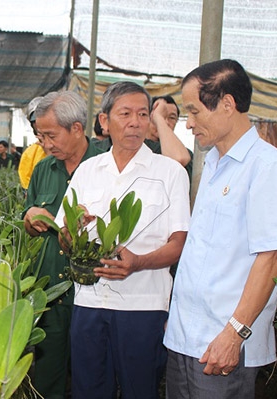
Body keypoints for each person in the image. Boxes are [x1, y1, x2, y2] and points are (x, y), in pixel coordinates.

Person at [163, 59, 277, 399]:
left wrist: (235, 333)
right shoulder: (214, 164)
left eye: (193, 112)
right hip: (186, 338)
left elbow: (271, 257)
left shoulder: (266, 167)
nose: (188, 123)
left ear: (226, 104)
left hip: (224, 343)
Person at [55, 81, 191, 399]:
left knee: (139, 389)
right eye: (125, 113)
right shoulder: (87, 172)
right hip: (88, 302)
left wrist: (139, 262)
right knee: (88, 390)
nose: (135, 122)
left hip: (143, 305)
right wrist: (72, 230)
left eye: (143, 114)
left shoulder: (170, 173)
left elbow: (179, 242)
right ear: (105, 121)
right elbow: (64, 238)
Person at [22, 90, 103, 398]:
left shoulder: (106, 166)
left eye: (51, 135)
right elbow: (28, 227)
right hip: (50, 293)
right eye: (40, 136)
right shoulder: (43, 169)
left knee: (92, 374)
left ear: (77, 129)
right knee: (47, 377)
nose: (45, 144)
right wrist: (31, 217)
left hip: (93, 293)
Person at [146, 95, 193, 183]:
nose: (166, 122)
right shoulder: (136, 147)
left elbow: (180, 158)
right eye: (161, 115)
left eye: (172, 118)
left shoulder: (186, 153)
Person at [18, 96, 48, 189]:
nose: (39, 123)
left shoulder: (66, 147)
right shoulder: (30, 153)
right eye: (35, 120)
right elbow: (27, 186)